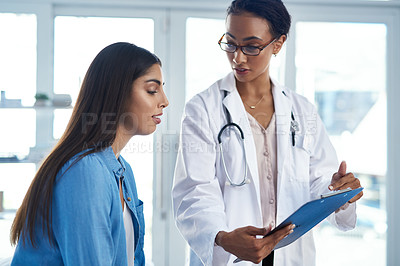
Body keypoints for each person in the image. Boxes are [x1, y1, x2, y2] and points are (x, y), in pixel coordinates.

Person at [172, 0, 363, 265]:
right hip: (232, 258)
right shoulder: (203, 108)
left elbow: (319, 182)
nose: (237, 57)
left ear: (278, 44)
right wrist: (223, 237)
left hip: (291, 255)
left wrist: (339, 192)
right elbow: (194, 190)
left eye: (251, 46)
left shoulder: (302, 110)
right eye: (230, 43)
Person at [10, 42, 169, 266]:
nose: (164, 100)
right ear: (118, 91)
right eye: (152, 90)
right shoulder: (85, 172)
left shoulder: (122, 170)